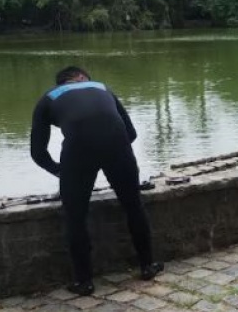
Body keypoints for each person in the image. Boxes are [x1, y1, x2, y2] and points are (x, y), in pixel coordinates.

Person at [30, 66, 162, 296]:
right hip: (117, 144)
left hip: (78, 151)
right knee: (133, 205)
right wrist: (112, 154)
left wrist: (63, 172)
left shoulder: (47, 99)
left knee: (75, 216)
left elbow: (37, 153)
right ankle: (147, 266)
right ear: (82, 78)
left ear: (61, 83)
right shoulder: (102, 87)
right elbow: (131, 133)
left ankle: (84, 281)